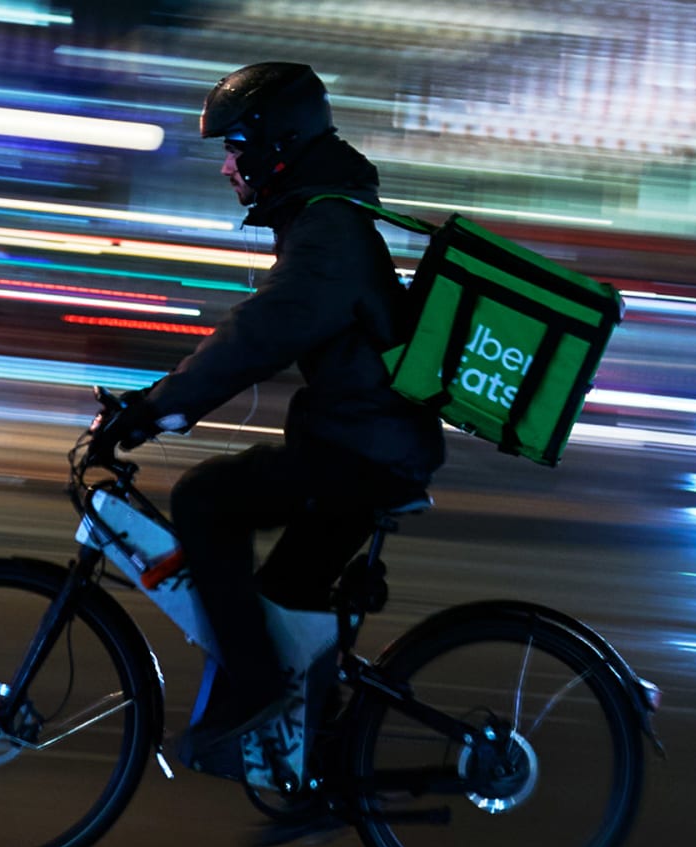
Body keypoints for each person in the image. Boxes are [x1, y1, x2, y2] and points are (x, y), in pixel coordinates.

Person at [93, 61, 445, 757]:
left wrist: (158, 409)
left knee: (205, 497)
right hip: (364, 445)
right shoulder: (324, 218)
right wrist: (161, 403)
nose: (227, 166)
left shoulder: (328, 231)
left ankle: (255, 694)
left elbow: (258, 335)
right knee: (283, 597)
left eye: (235, 147)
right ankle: (318, 760)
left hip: (364, 452)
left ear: (277, 143)